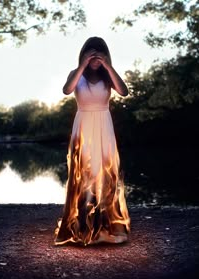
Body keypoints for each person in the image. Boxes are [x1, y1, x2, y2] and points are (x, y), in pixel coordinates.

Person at [54, 36, 131, 246]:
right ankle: (82, 226)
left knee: (103, 174)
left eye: (100, 52)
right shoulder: (76, 74)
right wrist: (82, 65)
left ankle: (105, 225)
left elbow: (124, 92)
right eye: (91, 52)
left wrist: (108, 65)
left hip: (104, 126)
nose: (95, 56)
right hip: (83, 125)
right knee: (84, 175)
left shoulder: (108, 76)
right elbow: (66, 90)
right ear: (84, 54)